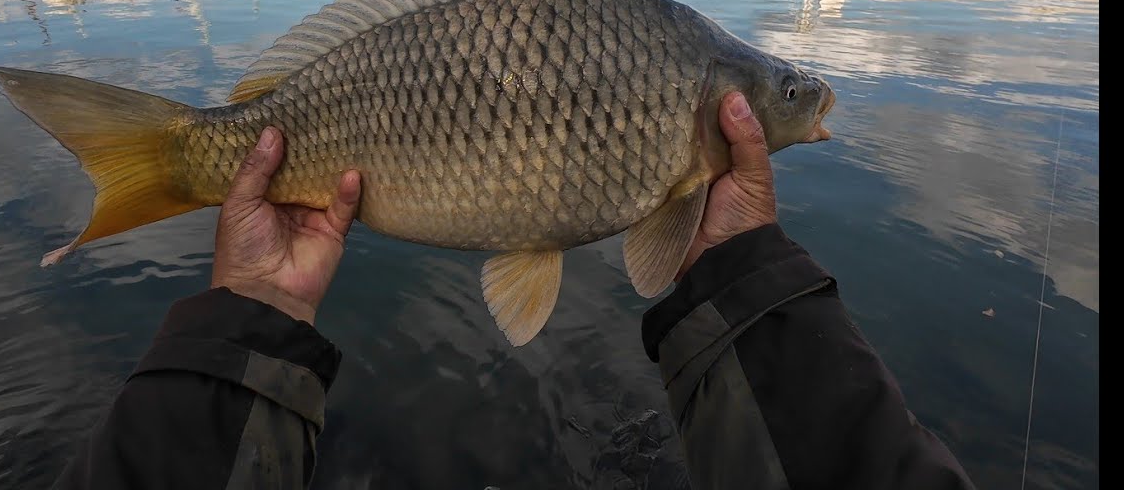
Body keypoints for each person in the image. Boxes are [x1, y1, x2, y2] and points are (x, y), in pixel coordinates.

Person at [52, 92, 977, 490]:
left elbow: (658, 259)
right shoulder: (692, 102)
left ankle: (176, 159)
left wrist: (255, 302)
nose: (797, 103)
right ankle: (165, 156)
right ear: (729, 111)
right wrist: (741, 277)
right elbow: (659, 268)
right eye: (777, 94)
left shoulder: (689, 154)